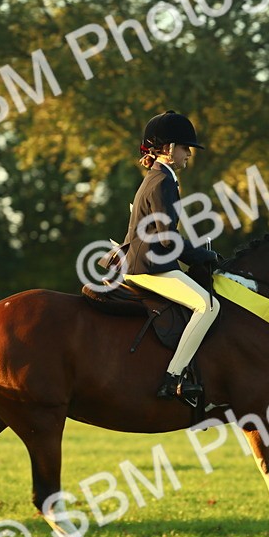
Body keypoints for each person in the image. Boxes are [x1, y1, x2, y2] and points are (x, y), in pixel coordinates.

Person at [119, 110, 221, 400]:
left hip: (151, 261)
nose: (189, 153)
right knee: (208, 306)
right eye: (184, 147)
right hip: (150, 266)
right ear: (167, 149)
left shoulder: (160, 177)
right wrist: (201, 256)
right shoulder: (162, 181)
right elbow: (166, 238)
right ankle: (173, 376)